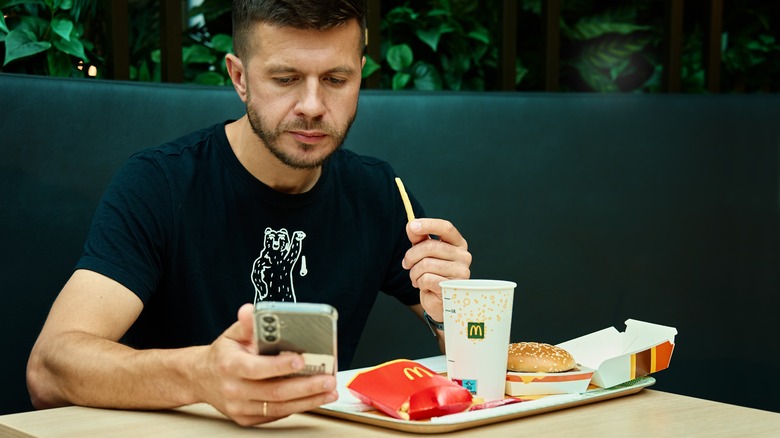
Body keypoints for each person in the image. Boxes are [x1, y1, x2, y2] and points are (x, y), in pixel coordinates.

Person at [26, 0, 471, 427]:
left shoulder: (378, 192)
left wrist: (452, 311)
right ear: (239, 77)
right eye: (285, 79)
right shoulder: (161, 183)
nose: (313, 106)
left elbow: (471, 366)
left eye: (336, 79)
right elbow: (47, 371)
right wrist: (199, 374)